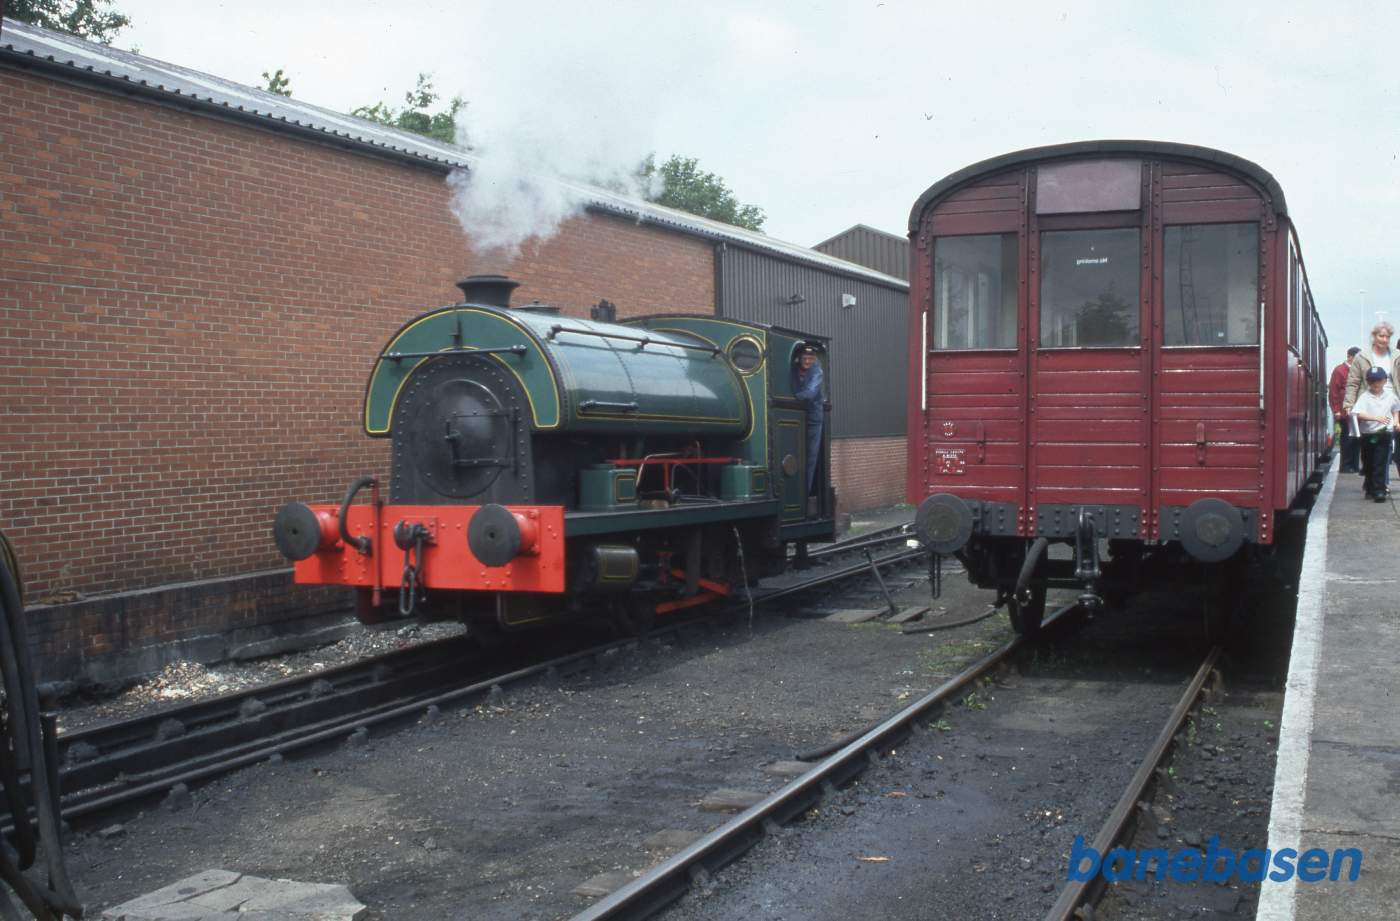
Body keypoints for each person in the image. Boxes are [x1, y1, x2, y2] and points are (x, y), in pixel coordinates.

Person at [1343, 321, 1400, 485]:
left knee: (1386, 445)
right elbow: (1353, 382)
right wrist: (1349, 404)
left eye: (1387, 337)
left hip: (1391, 403)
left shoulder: (1396, 356)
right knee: (1368, 449)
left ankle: (1382, 484)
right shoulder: (1362, 358)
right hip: (1369, 404)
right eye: (1381, 336)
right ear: (1374, 337)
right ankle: (1371, 479)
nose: (1384, 339)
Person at [1351, 365, 1400, 501]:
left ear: (1384, 381)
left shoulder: (1390, 396)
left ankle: (1379, 490)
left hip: (1384, 433)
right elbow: (1358, 413)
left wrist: (1396, 422)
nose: (1375, 384)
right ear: (1368, 382)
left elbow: (1396, 409)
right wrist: (1375, 418)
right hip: (1368, 434)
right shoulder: (1365, 397)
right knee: (1368, 462)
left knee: (1380, 461)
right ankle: (1369, 486)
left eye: (1378, 380)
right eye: (1372, 381)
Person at [793, 344, 825, 496]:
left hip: (812, 417)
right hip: (796, 415)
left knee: (810, 456)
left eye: (810, 358)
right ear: (799, 358)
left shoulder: (817, 372)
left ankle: (805, 493)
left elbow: (811, 393)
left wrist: (794, 397)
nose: (807, 361)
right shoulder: (793, 369)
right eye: (804, 358)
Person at [1330, 346, 1362, 473]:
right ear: (1350, 356)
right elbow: (1334, 392)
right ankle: (1346, 465)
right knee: (1347, 438)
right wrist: (1336, 410)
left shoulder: (1358, 371)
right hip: (1345, 411)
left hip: (1357, 411)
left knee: (1356, 438)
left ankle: (1354, 464)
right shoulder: (1339, 370)